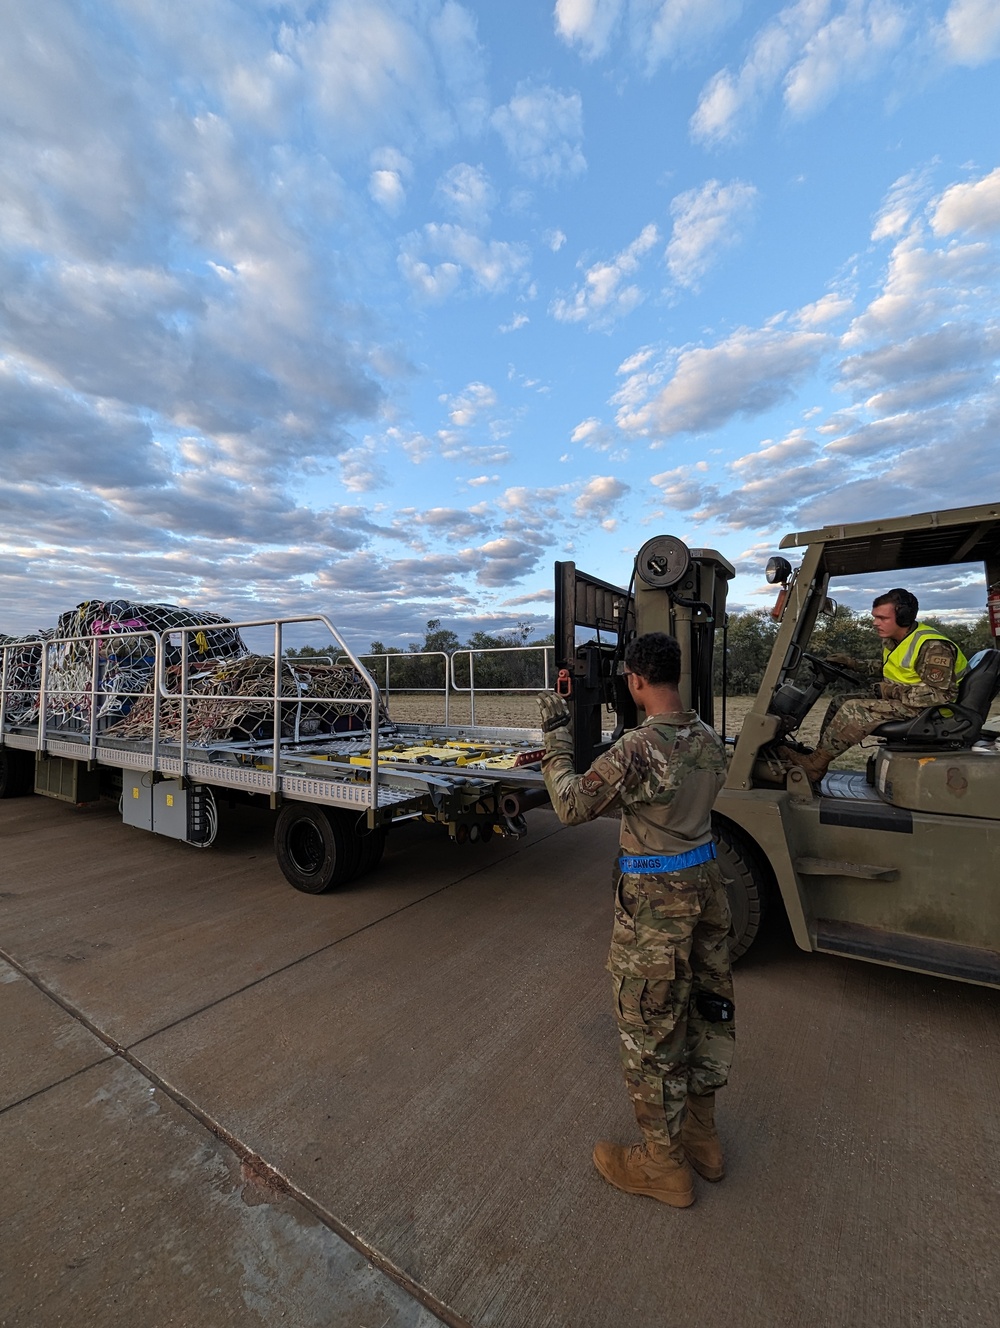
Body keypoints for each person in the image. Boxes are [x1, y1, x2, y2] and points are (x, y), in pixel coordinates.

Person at [537, 632, 734, 1209]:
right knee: (705, 1013)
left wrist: (555, 738)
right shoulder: (708, 738)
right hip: (706, 893)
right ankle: (703, 1137)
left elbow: (572, 805)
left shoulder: (637, 750)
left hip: (656, 910)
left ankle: (663, 1163)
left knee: (649, 1029)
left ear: (635, 680)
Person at [782, 588, 968, 785]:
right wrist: (853, 663)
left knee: (855, 708)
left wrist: (890, 691)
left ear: (903, 617)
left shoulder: (933, 646)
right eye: (875, 617)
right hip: (910, 702)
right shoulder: (897, 641)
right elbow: (891, 668)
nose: (875, 623)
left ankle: (814, 765)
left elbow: (940, 695)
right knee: (839, 702)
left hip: (934, 712)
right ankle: (817, 759)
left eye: (882, 618)